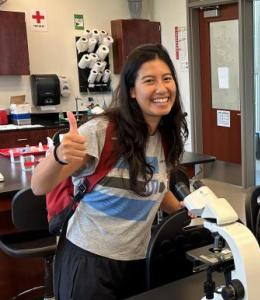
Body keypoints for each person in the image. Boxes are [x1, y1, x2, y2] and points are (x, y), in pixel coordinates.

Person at [31, 44, 188, 299]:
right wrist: (58, 157)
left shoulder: (164, 136)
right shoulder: (100, 132)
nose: (161, 89)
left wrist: (184, 210)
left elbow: (156, 187)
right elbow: (39, 186)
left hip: (136, 260)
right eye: (149, 80)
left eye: (167, 78)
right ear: (132, 91)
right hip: (89, 263)